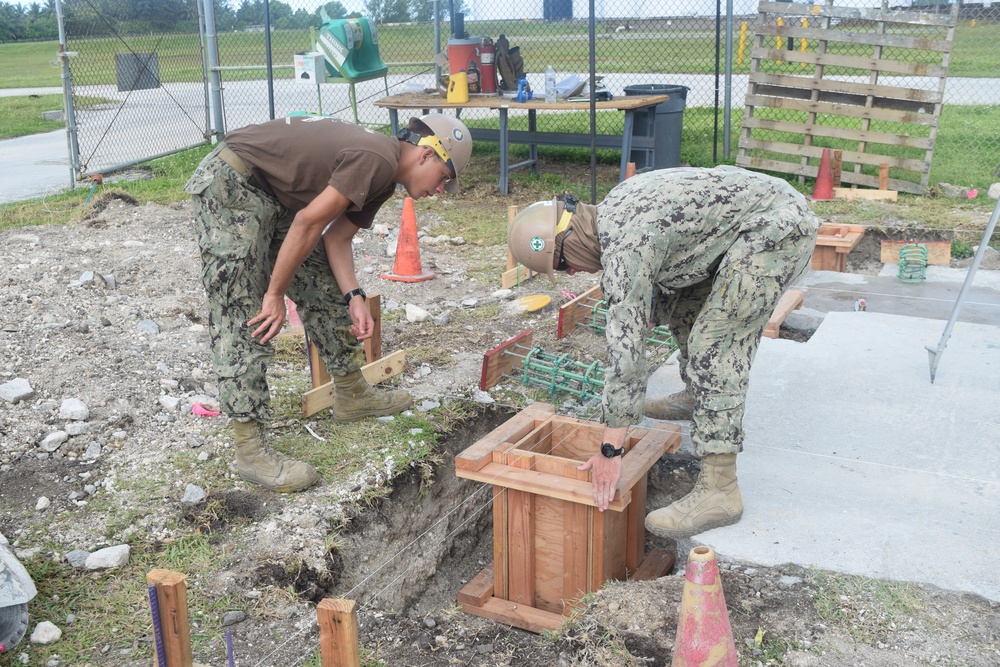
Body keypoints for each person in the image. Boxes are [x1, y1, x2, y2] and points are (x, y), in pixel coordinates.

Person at [507, 166, 819, 538]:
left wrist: (611, 450)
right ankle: (697, 396)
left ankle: (721, 489)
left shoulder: (626, 245)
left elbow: (628, 348)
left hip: (776, 231)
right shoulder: (614, 213)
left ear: (568, 239)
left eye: (562, 265)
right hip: (751, 222)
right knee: (684, 304)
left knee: (714, 345)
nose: (572, 274)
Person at [184, 114, 472, 493]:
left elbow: (336, 239)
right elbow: (306, 222)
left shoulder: (385, 178)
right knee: (244, 309)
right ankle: (249, 450)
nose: (440, 190)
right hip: (233, 183)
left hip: (273, 194)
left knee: (320, 281)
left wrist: (354, 297)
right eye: (444, 178)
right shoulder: (377, 158)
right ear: (424, 154)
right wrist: (274, 295)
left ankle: (352, 393)